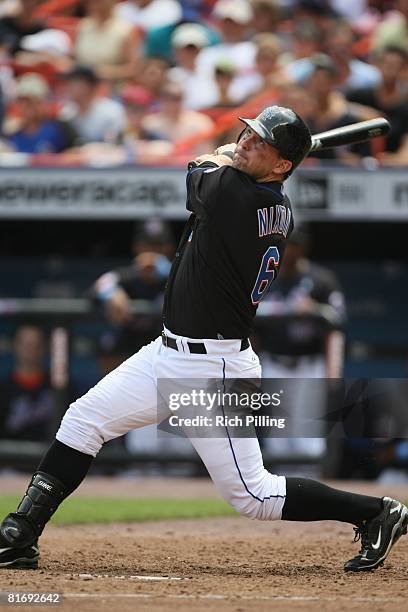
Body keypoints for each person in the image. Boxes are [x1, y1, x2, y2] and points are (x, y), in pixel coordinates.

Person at [0, 105, 407, 573]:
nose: (247, 141)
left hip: (213, 370)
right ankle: (20, 534)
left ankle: (377, 513)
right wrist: (243, 159)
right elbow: (219, 174)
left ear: (281, 167)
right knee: (82, 420)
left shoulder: (245, 199)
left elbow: (197, 172)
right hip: (167, 352)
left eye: (261, 142)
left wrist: (222, 157)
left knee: (253, 494)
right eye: (248, 133)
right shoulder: (259, 195)